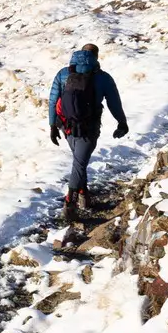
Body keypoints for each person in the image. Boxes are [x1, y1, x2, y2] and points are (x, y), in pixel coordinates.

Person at [47, 43, 128, 220]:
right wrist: (122, 122)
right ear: (96, 57)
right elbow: (114, 102)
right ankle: (70, 204)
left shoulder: (63, 73)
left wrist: (53, 125)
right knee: (79, 163)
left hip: (66, 125)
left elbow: (53, 100)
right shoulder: (103, 77)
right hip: (89, 127)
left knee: (79, 160)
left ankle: (84, 194)